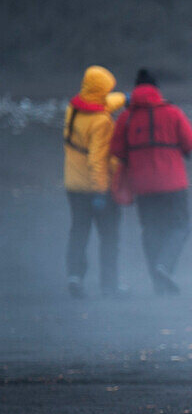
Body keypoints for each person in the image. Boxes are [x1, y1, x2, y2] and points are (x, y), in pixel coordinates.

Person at [109, 68, 192, 295]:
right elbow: (191, 143)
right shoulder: (172, 112)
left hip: (143, 187)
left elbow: (116, 150)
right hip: (173, 183)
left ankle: (158, 281)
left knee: (151, 230)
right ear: (157, 89)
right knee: (180, 226)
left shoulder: (126, 117)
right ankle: (165, 266)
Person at [63, 65, 128, 298]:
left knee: (79, 231)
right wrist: (101, 192)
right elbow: (97, 161)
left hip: (73, 185)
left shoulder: (73, 109)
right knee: (109, 236)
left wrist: (123, 98)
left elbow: (104, 103)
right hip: (95, 188)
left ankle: (75, 276)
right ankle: (109, 284)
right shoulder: (102, 122)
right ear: (102, 90)